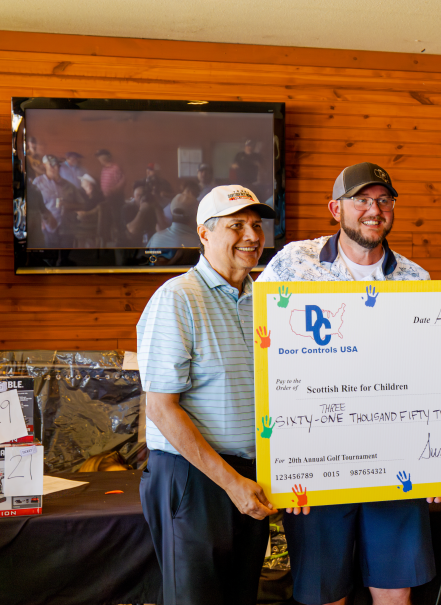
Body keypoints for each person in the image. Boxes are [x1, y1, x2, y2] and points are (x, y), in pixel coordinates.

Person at [257, 161, 441, 605]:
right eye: (361, 199)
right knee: (325, 594)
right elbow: (263, 354)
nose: (373, 209)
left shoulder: (415, 279)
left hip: (396, 460)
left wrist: (439, 460)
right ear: (335, 208)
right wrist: (284, 466)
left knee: (394, 592)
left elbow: (431, 372)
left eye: (383, 200)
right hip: (319, 460)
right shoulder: (293, 264)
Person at [137, 185, 277, 605]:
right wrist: (231, 483)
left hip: (251, 477)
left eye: (256, 225)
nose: (252, 236)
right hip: (192, 478)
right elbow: (161, 409)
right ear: (203, 233)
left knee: (241, 596)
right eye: (236, 225)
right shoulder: (177, 299)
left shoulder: (266, 302)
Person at [32, 154, 83, 247]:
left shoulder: (69, 185)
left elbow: (82, 205)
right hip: (48, 228)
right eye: (52, 165)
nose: (55, 168)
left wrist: (69, 205)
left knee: (65, 258)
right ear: (44, 165)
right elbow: (32, 206)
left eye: (57, 165)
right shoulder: (37, 183)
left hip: (67, 227)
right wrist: (40, 222)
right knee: (50, 258)